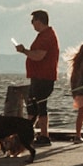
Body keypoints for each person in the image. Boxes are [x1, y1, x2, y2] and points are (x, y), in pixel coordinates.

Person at [14, 10, 59, 145]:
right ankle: (35, 134)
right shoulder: (44, 35)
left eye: (32, 21)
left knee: (37, 106)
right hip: (40, 76)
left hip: (43, 77)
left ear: (39, 21)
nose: (32, 24)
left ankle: (40, 135)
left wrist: (24, 51)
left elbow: (39, 56)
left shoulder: (46, 36)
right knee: (36, 106)